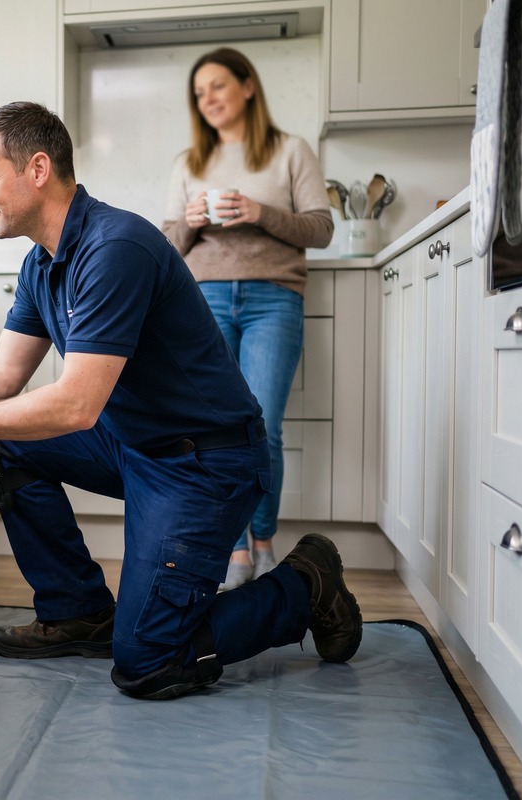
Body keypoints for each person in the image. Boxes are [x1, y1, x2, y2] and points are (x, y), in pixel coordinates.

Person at [0, 101, 361, 700]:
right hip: (133, 445)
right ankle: (76, 613)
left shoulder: (116, 248)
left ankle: (305, 583)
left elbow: (74, 407)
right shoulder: (43, 262)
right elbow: (2, 373)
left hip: (203, 464)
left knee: (147, 664)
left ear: (37, 169)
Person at [161, 48, 334, 591]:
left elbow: (322, 228)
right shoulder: (188, 163)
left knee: (264, 428)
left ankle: (263, 540)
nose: (207, 99)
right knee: (217, 431)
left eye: (217, 86)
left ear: (248, 87)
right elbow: (166, 247)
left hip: (272, 299)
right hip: (204, 302)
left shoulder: (290, 152)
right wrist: (187, 224)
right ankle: (234, 550)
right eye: (198, 93)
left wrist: (260, 213)